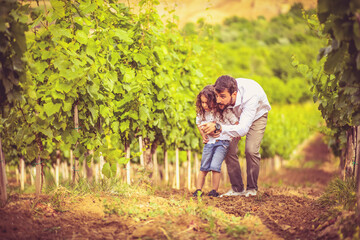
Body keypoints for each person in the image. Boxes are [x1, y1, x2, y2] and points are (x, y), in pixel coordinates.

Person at [200, 75, 271, 197]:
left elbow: (242, 129)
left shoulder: (251, 96)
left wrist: (218, 127)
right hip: (234, 118)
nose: (218, 100)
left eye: (222, 97)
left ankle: (252, 189)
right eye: (217, 96)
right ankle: (237, 189)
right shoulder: (222, 94)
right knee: (227, 148)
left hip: (257, 116)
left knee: (251, 149)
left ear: (234, 94)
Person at [193, 85, 239, 198]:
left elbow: (236, 123)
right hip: (209, 143)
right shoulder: (202, 113)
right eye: (202, 102)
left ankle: (214, 190)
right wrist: (203, 135)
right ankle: (198, 190)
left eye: (207, 103)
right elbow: (198, 123)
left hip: (222, 143)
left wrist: (233, 135)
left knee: (215, 166)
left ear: (215, 100)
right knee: (203, 167)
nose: (204, 105)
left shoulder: (224, 112)